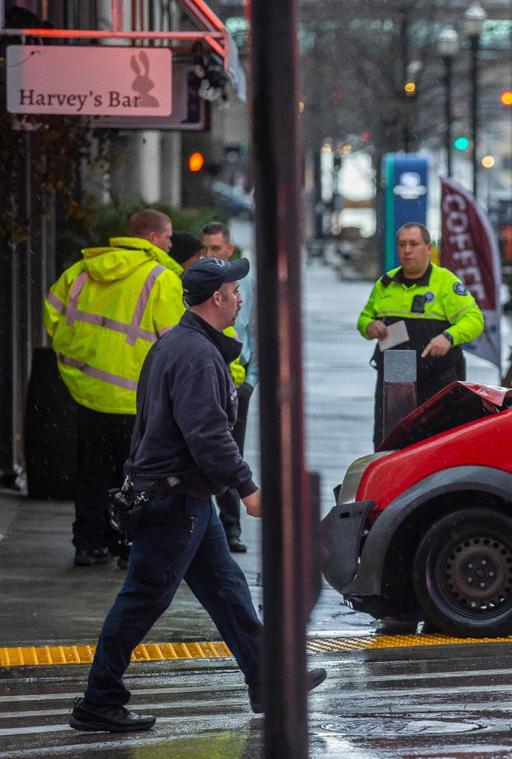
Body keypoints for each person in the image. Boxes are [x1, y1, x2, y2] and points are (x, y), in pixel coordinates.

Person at [69, 257, 325, 733]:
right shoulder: (197, 356)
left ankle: (268, 679)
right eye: (234, 290)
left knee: (227, 590)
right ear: (216, 299)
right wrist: (248, 487)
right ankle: (98, 701)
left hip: (182, 497)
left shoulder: (176, 343)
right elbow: (207, 435)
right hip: (175, 500)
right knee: (141, 601)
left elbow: (149, 422)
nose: (240, 298)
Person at [44, 209, 184, 568]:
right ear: (152, 237)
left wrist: (76, 359)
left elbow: (52, 314)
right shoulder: (161, 279)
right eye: (168, 237)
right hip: (135, 399)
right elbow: (174, 342)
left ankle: (88, 544)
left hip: (88, 392)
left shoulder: (83, 269)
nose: (171, 244)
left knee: (90, 471)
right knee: (134, 479)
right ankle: (127, 545)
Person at [357, 222, 485, 449]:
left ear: (428, 248)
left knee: (434, 444)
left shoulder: (446, 283)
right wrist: (370, 326)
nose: (407, 251)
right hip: (396, 373)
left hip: (436, 375)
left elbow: (475, 320)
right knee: (389, 440)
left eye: (414, 244)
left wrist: (448, 337)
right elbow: (364, 319)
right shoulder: (385, 284)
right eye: (402, 244)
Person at [201, 221, 258, 553]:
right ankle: (207, 526)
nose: (209, 254)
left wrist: (250, 382)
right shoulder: (196, 282)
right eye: (205, 247)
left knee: (231, 450)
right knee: (207, 448)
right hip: (207, 373)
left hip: (237, 377)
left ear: (229, 249)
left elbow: (257, 334)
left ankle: (229, 526)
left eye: (215, 248)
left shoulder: (247, 285)